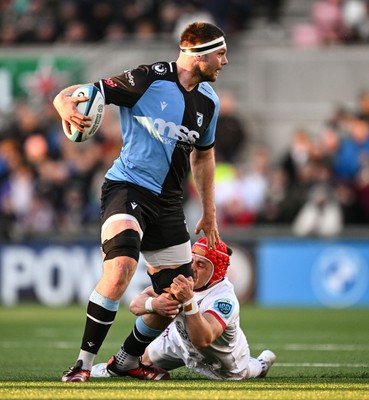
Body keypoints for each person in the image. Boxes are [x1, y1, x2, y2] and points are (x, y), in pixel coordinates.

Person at [53, 21, 227, 382]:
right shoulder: (148, 78)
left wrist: (209, 211)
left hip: (168, 204)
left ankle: (127, 360)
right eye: (221, 53)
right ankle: (83, 364)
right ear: (198, 54)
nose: (225, 61)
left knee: (179, 294)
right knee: (120, 268)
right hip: (127, 188)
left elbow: (203, 157)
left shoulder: (209, 102)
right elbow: (78, 92)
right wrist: (61, 105)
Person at [91, 237, 276, 381]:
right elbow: (135, 305)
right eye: (192, 261)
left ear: (216, 272)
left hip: (223, 362)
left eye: (201, 264)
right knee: (138, 363)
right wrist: (154, 304)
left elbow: (202, 340)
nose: (192, 268)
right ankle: (115, 367)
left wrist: (188, 301)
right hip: (178, 341)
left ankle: (261, 362)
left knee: (245, 372)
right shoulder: (182, 274)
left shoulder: (224, 299)